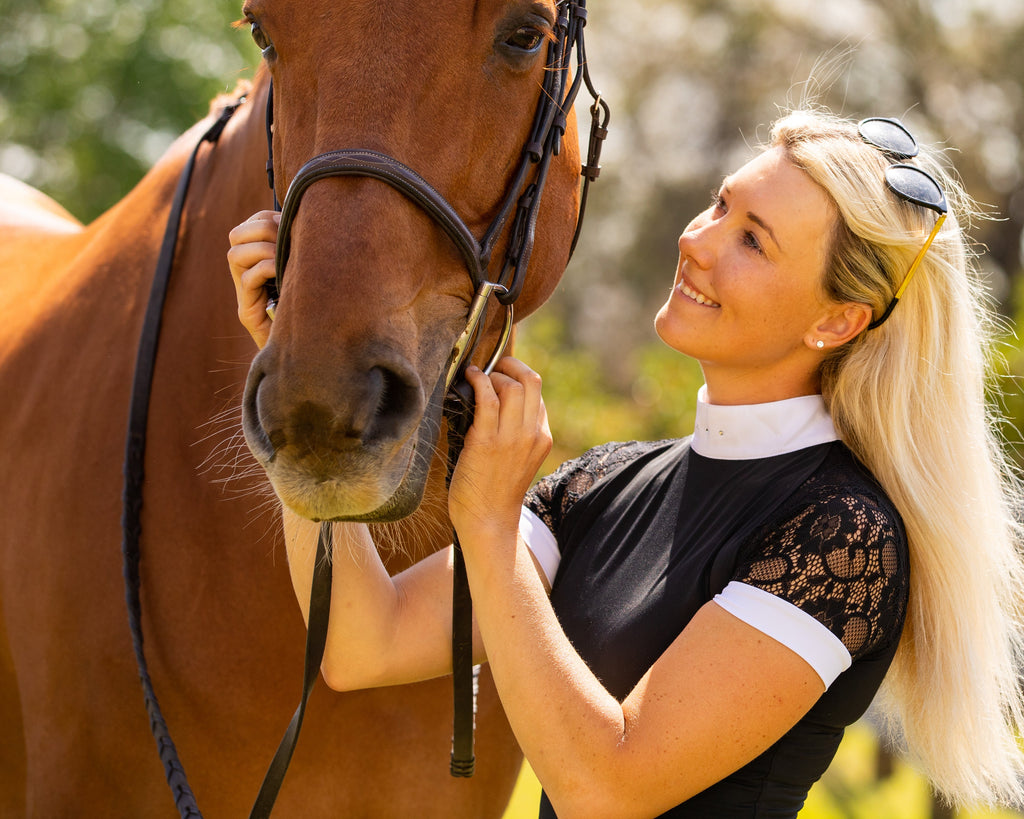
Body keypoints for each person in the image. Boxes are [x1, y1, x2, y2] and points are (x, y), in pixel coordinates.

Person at [228, 109, 1024, 817]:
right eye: (721, 205)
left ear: (838, 321)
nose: (697, 240)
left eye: (752, 240)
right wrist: (298, 388)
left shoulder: (843, 534)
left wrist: (489, 522)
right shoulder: (604, 482)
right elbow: (361, 642)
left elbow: (605, 790)